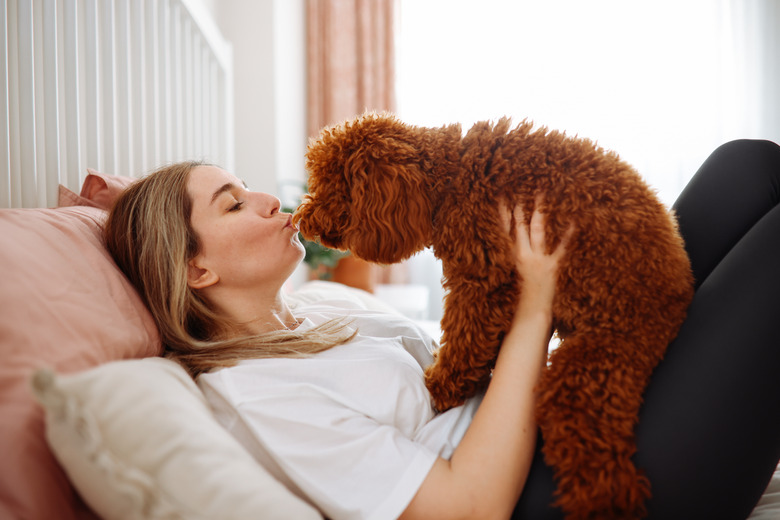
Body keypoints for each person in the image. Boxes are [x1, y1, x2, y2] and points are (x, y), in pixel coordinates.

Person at [104, 139, 780, 519]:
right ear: (195, 269)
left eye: (248, 184)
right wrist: (534, 305)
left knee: (748, 166)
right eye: (234, 203)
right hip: (548, 496)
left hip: (555, 416)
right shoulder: (255, 395)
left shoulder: (321, 308)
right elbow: (471, 508)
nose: (269, 200)